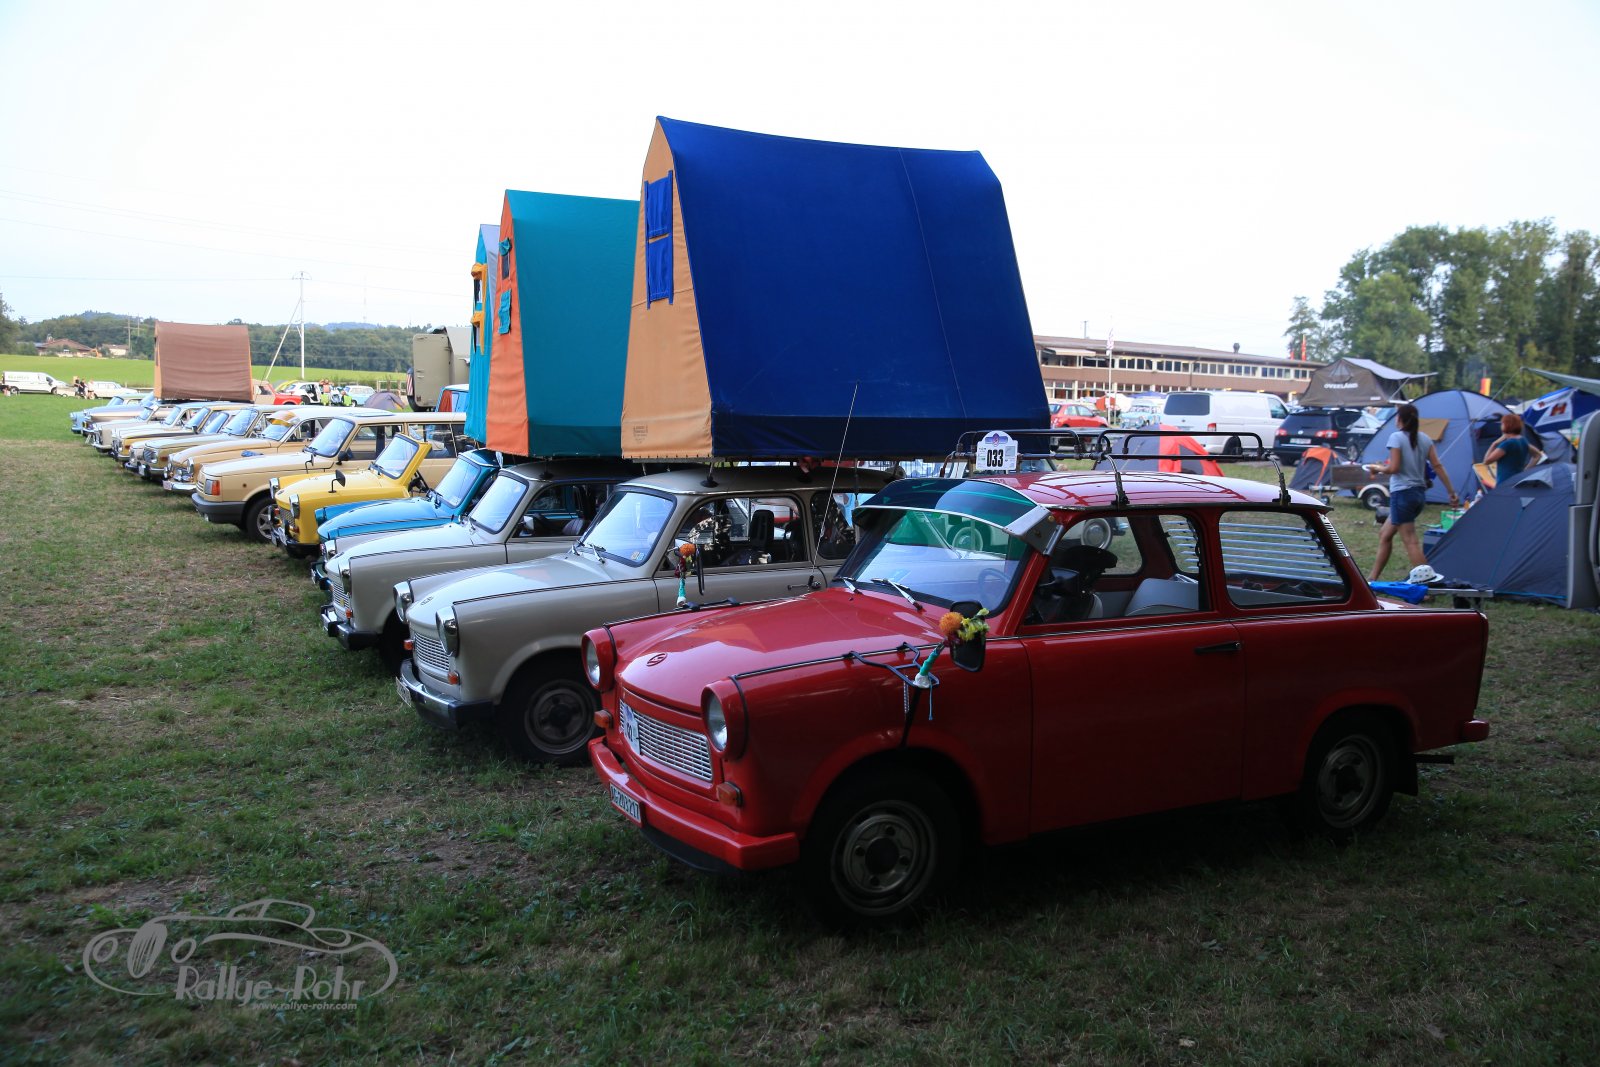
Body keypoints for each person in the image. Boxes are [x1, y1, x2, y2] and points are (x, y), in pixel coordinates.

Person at [1365, 402, 1459, 583]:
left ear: (1400, 419)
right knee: (1385, 534)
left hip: (1402, 494)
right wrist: (1451, 492)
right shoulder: (1425, 439)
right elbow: (1437, 465)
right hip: (1418, 495)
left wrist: (1377, 468)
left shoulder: (1396, 437)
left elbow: (1394, 468)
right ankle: (1372, 579)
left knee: (1411, 541)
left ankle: (1427, 586)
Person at [1484, 413, 1544, 487]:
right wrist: (1525, 471)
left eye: (1502, 423)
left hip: (1505, 482)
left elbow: (1486, 461)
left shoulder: (1507, 444)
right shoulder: (1523, 440)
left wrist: (1494, 444)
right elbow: (1538, 455)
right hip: (1518, 480)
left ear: (1506, 425)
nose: (1501, 426)